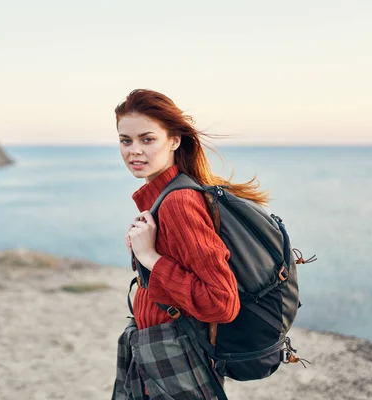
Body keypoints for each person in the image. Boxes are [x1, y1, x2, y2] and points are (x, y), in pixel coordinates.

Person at [111, 89, 269, 399]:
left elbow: (222, 302)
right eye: (125, 140)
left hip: (176, 361)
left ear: (174, 140)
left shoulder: (179, 202)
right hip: (156, 354)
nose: (134, 151)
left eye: (147, 139)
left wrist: (151, 259)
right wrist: (144, 257)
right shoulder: (162, 197)